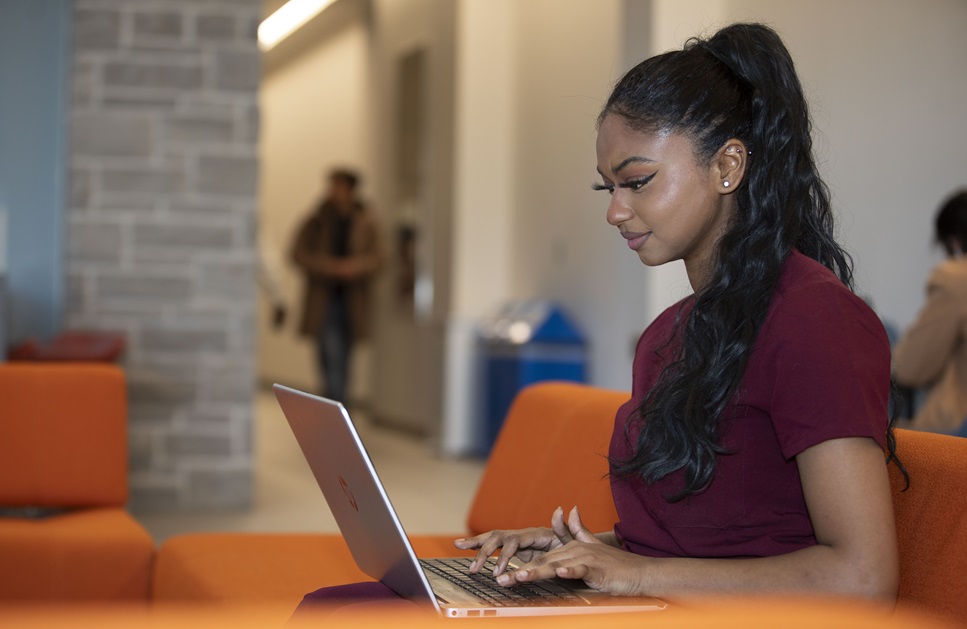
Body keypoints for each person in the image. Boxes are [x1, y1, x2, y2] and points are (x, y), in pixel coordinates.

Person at [296, 23, 901, 612]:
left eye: (637, 182)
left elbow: (864, 577)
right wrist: (581, 554)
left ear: (727, 166)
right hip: (655, 606)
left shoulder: (816, 320)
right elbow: (693, 543)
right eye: (607, 188)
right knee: (338, 603)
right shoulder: (668, 335)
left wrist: (635, 575)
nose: (616, 212)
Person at [291, 168, 382, 404]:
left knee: (342, 358)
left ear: (351, 190)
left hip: (352, 301)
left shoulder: (366, 221)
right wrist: (327, 266)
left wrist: (355, 267)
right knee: (327, 355)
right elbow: (298, 253)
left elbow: (380, 257)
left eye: (339, 187)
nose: (333, 192)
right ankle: (334, 405)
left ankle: (338, 407)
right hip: (324, 299)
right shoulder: (316, 220)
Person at [893, 190, 967, 435]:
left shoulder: (957, 279)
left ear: (954, 240)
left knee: (885, 331)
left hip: (955, 434)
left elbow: (911, 367)